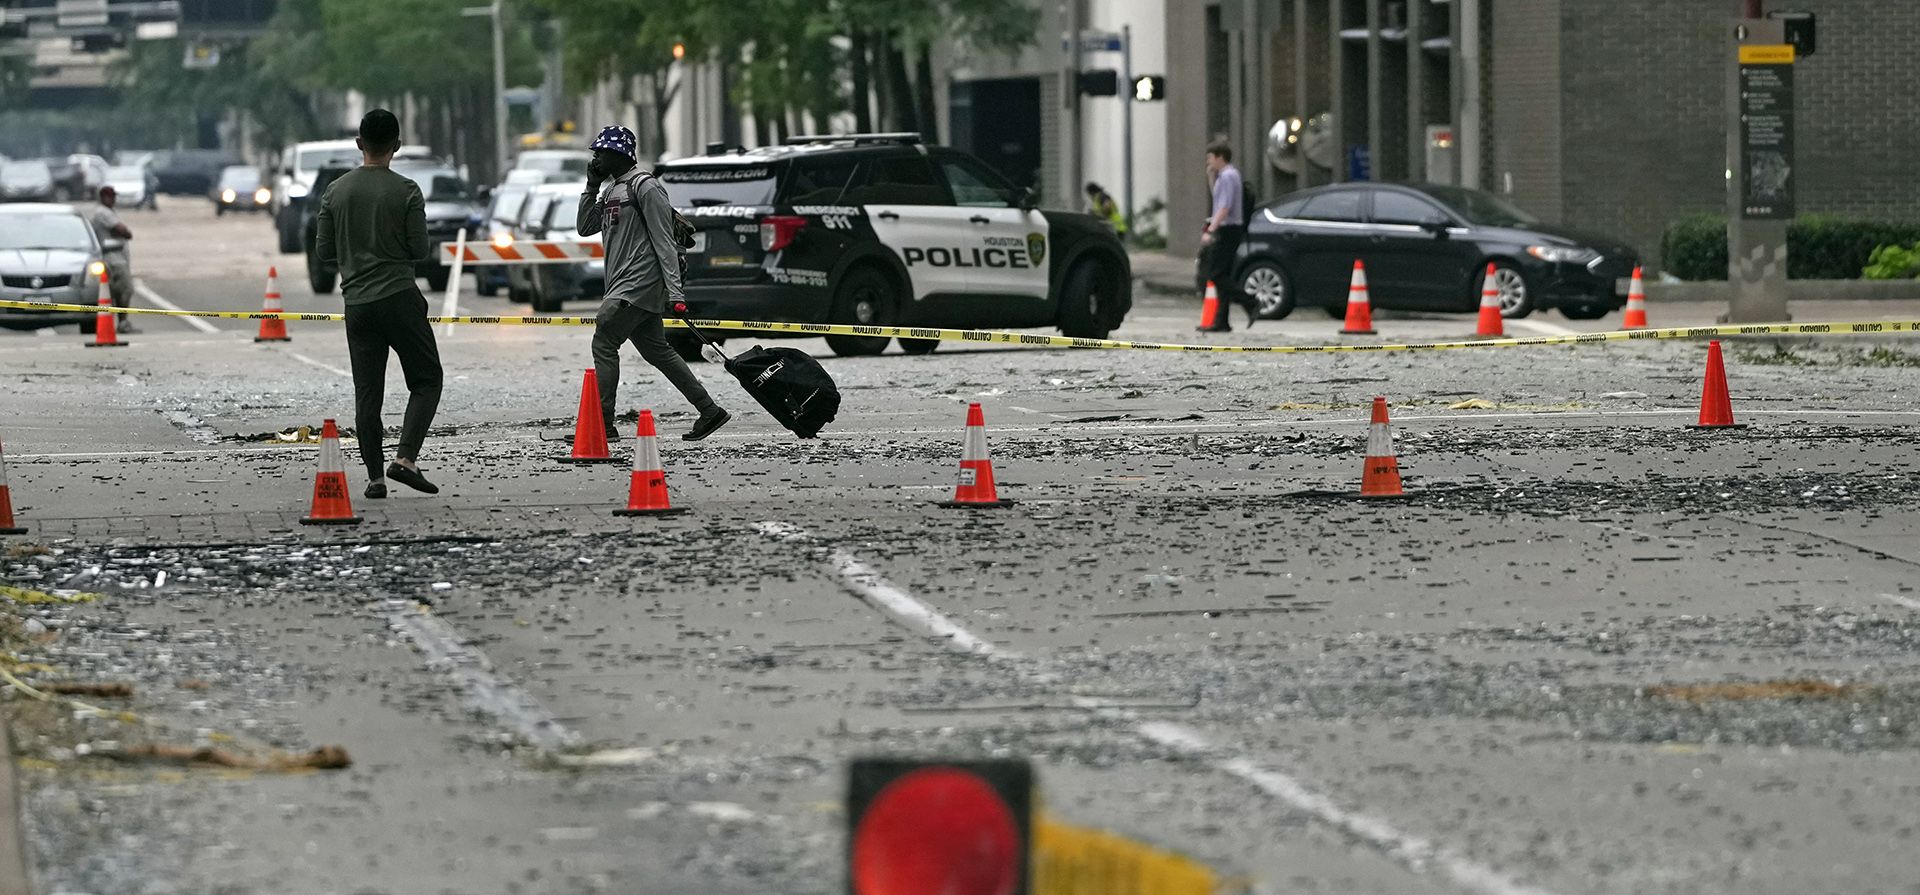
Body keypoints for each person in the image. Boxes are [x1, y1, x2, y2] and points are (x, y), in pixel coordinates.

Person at [314, 108, 443, 500]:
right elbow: (420, 250)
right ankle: (405, 459)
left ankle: (375, 478)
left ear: (359, 144)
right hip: (400, 299)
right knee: (427, 380)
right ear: (397, 147)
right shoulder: (406, 191)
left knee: (367, 393)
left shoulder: (335, 191)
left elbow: (324, 252)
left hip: (358, 305)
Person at [577, 124, 729, 443]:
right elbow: (585, 227)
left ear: (619, 154)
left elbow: (664, 240)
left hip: (637, 284)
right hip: (623, 284)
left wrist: (676, 293)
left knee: (604, 340)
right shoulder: (611, 190)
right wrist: (591, 186)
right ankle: (709, 410)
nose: (596, 159)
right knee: (659, 352)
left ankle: (603, 424)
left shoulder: (645, 186)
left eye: (601, 153)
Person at [1198, 141, 1257, 332]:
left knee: (1215, 273)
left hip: (1228, 229)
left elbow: (1224, 207)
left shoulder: (1229, 176)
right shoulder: (1226, 176)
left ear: (1220, 157)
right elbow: (1218, 198)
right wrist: (1210, 177)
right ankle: (1221, 321)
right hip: (1230, 228)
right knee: (1223, 273)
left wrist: (1211, 231)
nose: (1208, 162)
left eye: (1210, 158)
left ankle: (1250, 302)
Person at [89, 186, 135, 331]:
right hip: (113, 258)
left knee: (116, 292)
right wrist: (126, 232)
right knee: (125, 289)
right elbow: (124, 231)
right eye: (110, 196)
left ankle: (120, 322)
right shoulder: (103, 213)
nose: (113, 199)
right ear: (103, 197)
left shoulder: (107, 212)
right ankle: (122, 323)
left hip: (116, 257)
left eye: (114, 196)